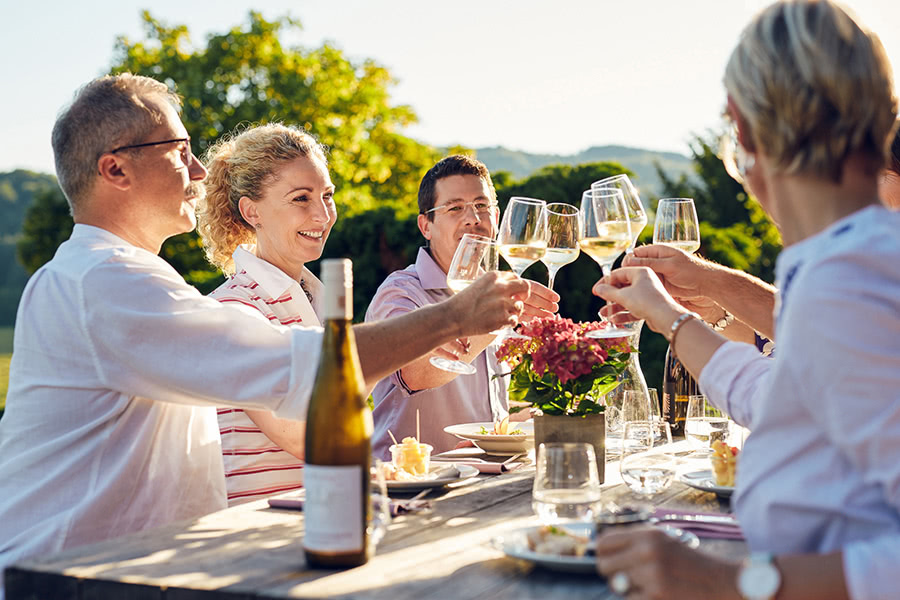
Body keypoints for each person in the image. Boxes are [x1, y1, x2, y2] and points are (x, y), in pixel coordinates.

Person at [0, 74, 537, 592]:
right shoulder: (105, 282)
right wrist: (456, 316)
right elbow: (306, 376)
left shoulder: (121, 276)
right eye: (179, 149)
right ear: (115, 169)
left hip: (131, 570)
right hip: (66, 578)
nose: (201, 171)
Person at [591, 2, 900, 599]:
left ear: (745, 129)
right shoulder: (851, 262)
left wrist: (730, 582)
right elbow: (781, 399)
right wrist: (670, 317)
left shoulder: (851, 278)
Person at [366, 155, 559, 458]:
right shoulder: (399, 293)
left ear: (496, 218)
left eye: (481, 206)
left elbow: (492, 409)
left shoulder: (501, 294)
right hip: (408, 485)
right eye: (455, 208)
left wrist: (542, 416)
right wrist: (492, 322)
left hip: (480, 480)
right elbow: (417, 375)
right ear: (425, 225)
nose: (473, 218)